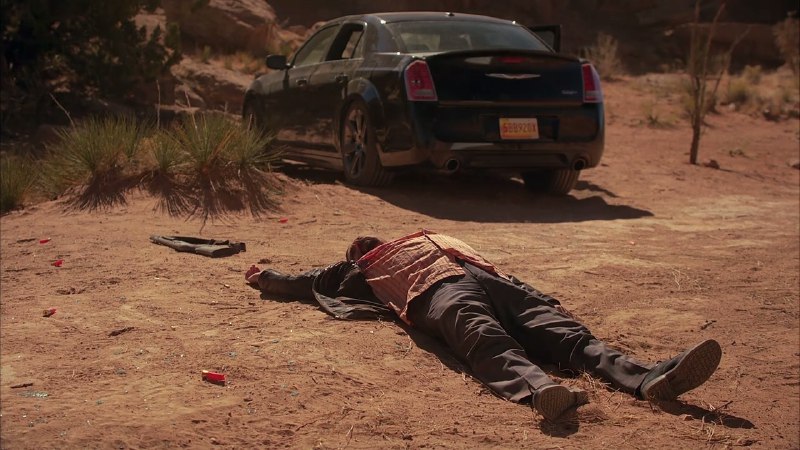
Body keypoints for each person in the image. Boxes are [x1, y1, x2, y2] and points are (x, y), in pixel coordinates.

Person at [246, 230, 722, 421]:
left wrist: (535, 295)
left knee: (565, 334)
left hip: (491, 281)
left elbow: (497, 268)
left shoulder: (429, 235)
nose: (365, 243)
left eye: (366, 242)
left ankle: (647, 378)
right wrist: (265, 277)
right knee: (484, 339)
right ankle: (542, 390)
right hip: (434, 291)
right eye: (359, 247)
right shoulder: (365, 270)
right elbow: (307, 281)